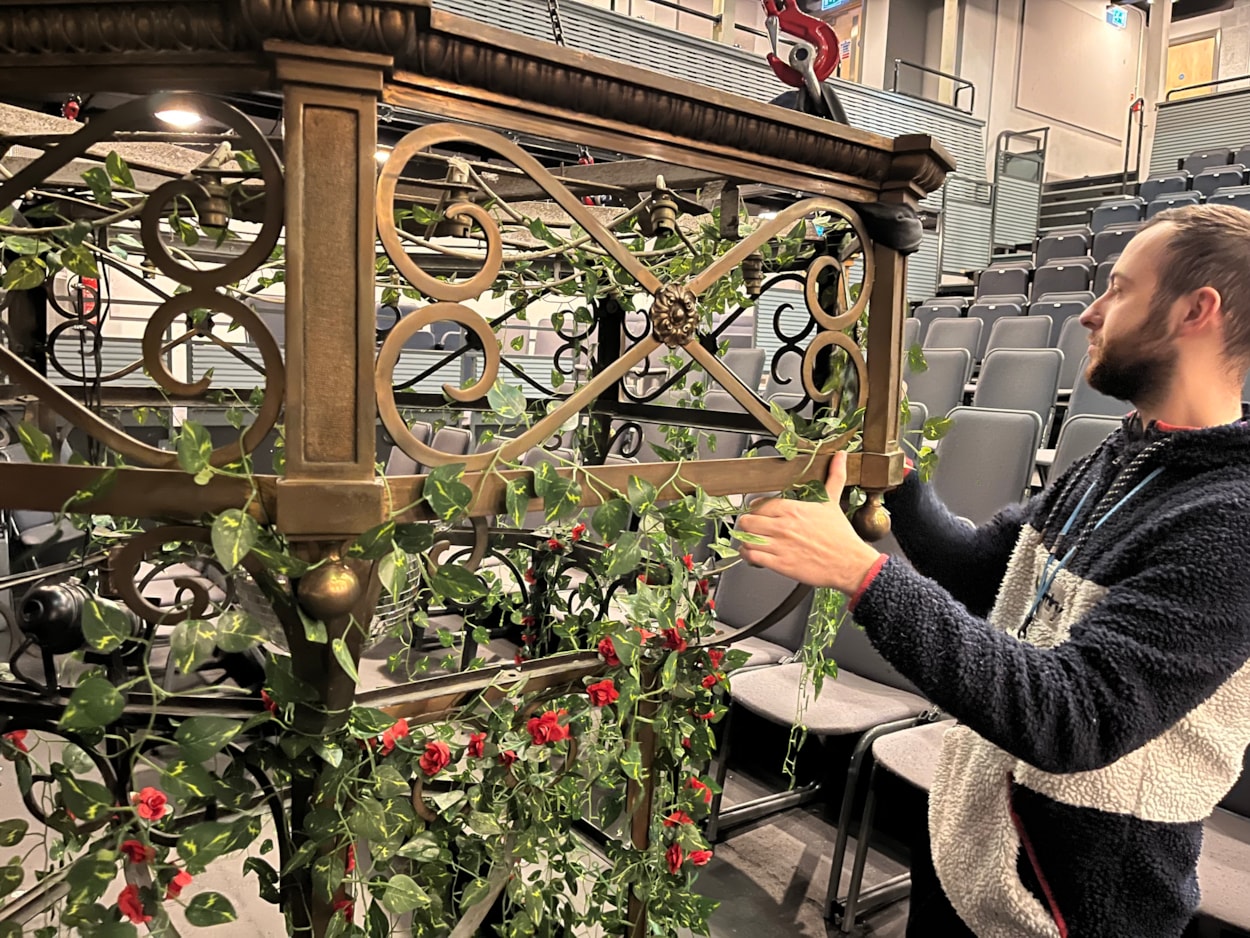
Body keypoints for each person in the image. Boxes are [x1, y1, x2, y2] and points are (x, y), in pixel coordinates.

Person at [737, 203, 1250, 938]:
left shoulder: (1232, 519)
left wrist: (862, 575)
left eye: (1120, 289)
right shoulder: (1122, 453)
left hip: (1071, 902)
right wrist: (897, 478)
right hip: (972, 854)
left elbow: (1076, 715)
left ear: (1196, 311)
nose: (1091, 313)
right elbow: (984, 572)